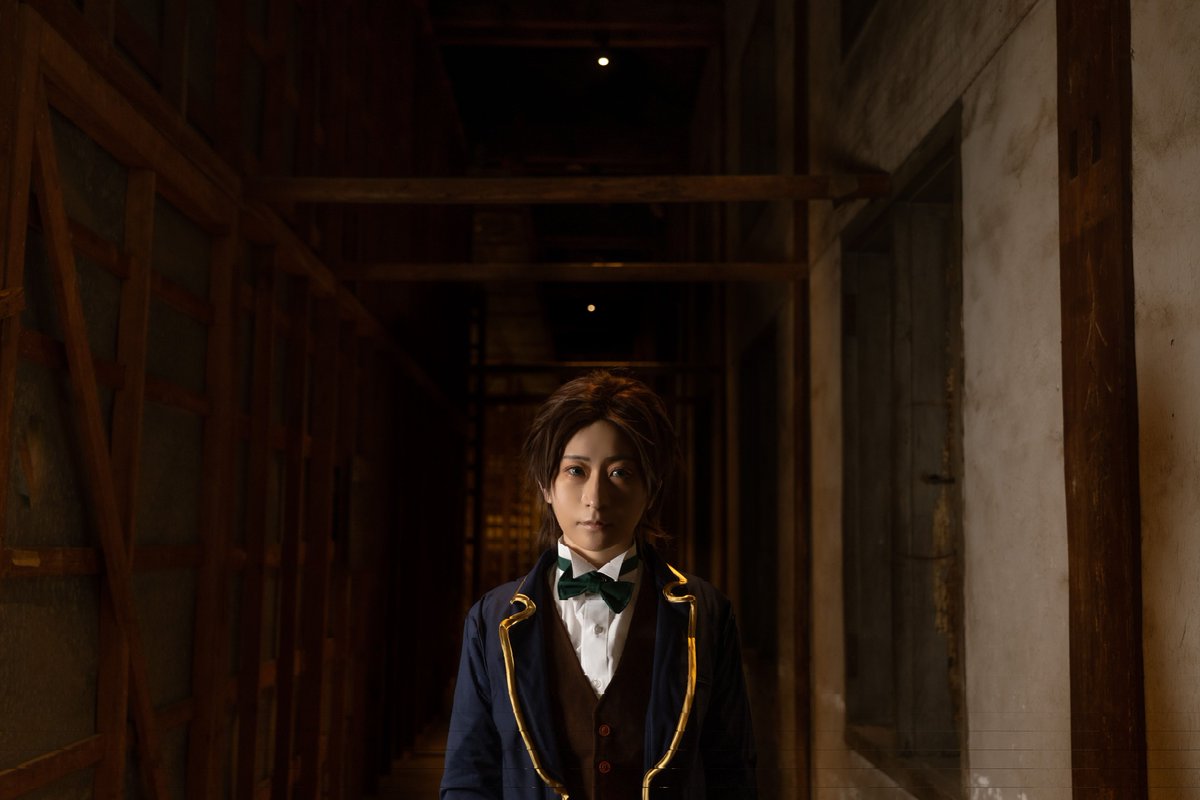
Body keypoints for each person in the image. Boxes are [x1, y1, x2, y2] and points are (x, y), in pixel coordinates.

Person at [441, 371, 756, 799]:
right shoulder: (491, 619)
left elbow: (732, 773)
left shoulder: (706, 612)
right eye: (575, 470)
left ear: (651, 488)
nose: (595, 497)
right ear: (545, 484)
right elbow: (468, 779)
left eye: (620, 472)